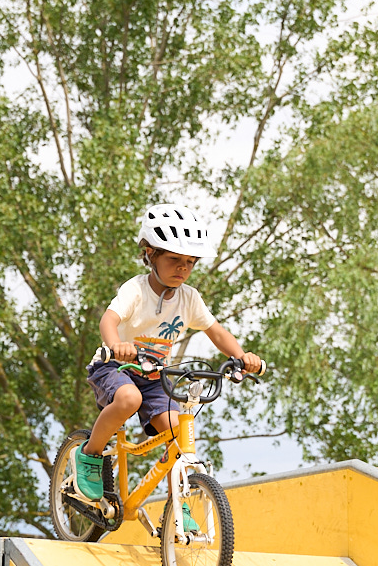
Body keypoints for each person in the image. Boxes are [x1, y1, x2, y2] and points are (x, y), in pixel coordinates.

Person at [72, 206, 263, 518]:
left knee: (180, 431)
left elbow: (216, 332)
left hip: (155, 376)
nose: (183, 268)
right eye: (174, 259)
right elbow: (109, 319)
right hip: (115, 367)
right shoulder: (136, 289)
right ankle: (90, 455)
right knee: (129, 398)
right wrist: (116, 345)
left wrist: (241, 357)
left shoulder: (189, 298)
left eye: (189, 262)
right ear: (150, 255)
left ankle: (180, 503)